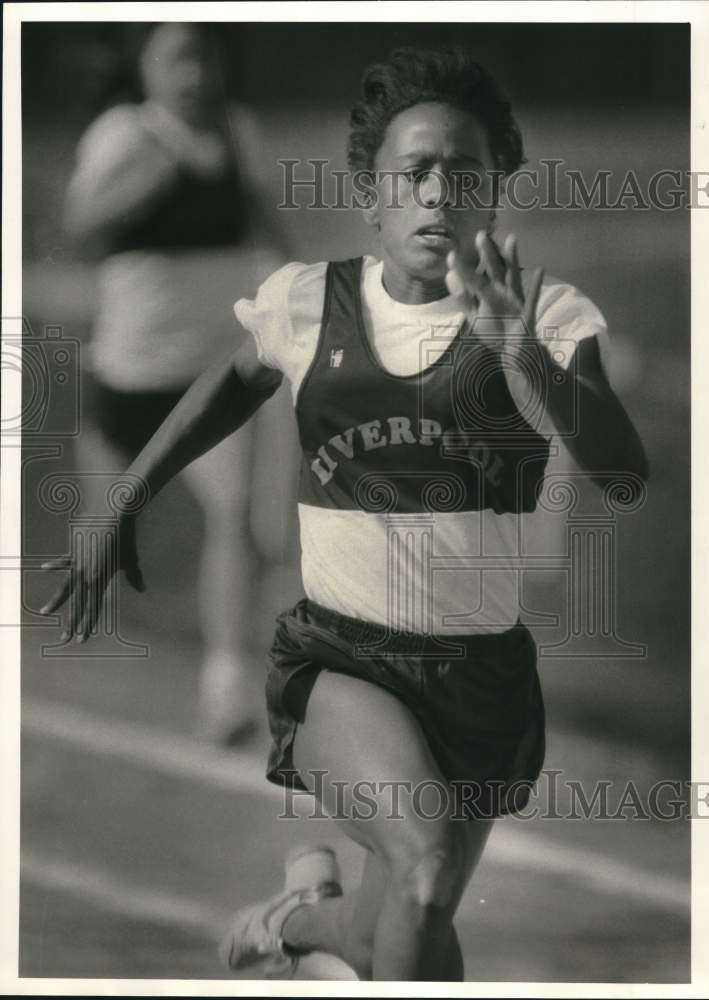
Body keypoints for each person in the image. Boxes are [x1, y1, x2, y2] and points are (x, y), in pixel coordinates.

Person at [41, 48, 649, 981]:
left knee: (399, 928)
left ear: (496, 194)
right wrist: (123, 498)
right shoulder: (307, 305)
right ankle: (318, 911)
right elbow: (223, 387)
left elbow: (621, 472)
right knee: (424, 868)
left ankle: (299, 918)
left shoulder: (551, 319)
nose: (439, 194)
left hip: (482, 676)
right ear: (370, 194)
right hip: (343, 662)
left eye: (466, 174)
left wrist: (525, 362)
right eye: (414, 174)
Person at [62, 22, 288, 743]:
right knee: (104, 531)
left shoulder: (237, 130)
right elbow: (75, 230)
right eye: (177, 59)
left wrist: (303, 297)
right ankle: (60, 659)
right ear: (147, 70)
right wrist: (141, 185)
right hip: (129, 374)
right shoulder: (124, 136)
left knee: (234, 515)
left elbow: (270, 230)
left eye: (204, 56)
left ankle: (225, 686)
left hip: (212, 374)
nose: (195, 74)